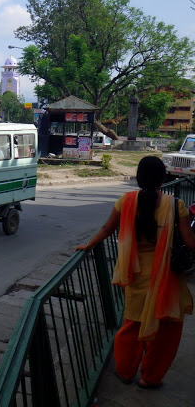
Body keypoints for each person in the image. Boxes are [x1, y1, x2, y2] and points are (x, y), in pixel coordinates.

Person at [76, 156, 195, 389]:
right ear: (163, 178)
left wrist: (88, 245)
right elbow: (190, 243)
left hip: (136, 275)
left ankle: (125, 371)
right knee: (166, 328)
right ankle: (150, 377)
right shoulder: (175, 205)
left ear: (139, 177)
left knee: (131, 325)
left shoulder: (126, 201)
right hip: (167, 277)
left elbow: (107, 229)